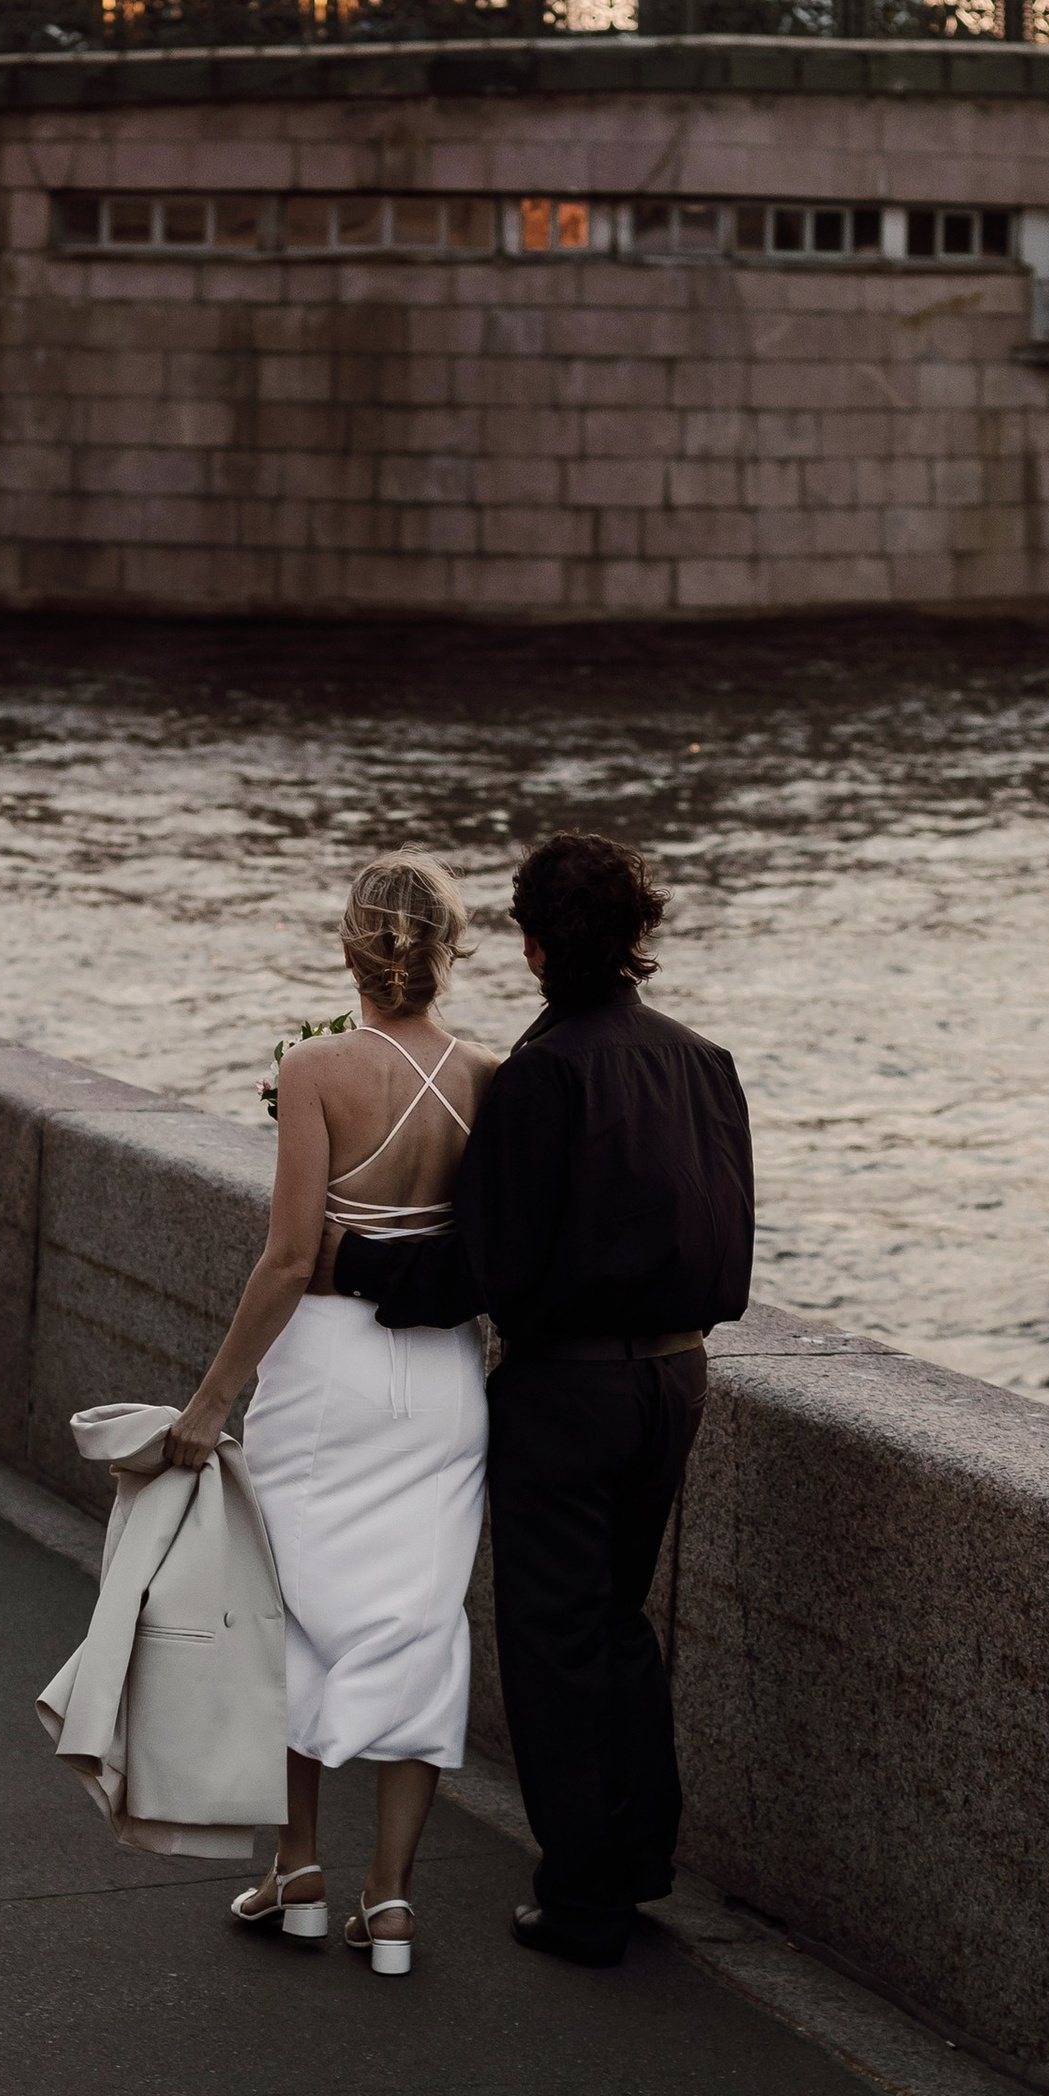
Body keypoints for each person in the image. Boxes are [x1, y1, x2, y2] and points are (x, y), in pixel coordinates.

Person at [333, 832, 754, 1968]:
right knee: (619, 1623)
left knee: (555, 1642)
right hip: (677, 1377)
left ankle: (581, 1903)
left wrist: (354, 1266)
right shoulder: (703, 1061)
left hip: (566, 1388)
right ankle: (635, 1863)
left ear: (528, 946)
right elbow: (729, 1244)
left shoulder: (543, 1073)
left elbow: (488, 1267)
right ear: (638, 937)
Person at [165, 856, 498, 1978]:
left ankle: (296, 1868)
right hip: (443, 1376)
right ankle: (390, 1903)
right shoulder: (493, 1076)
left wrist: (210, 1402)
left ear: (352, 950)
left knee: (295, 1610)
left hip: (326, 1374)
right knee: (419, 1618)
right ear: (447, 950)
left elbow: (289, 1258)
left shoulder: (312, 1069)